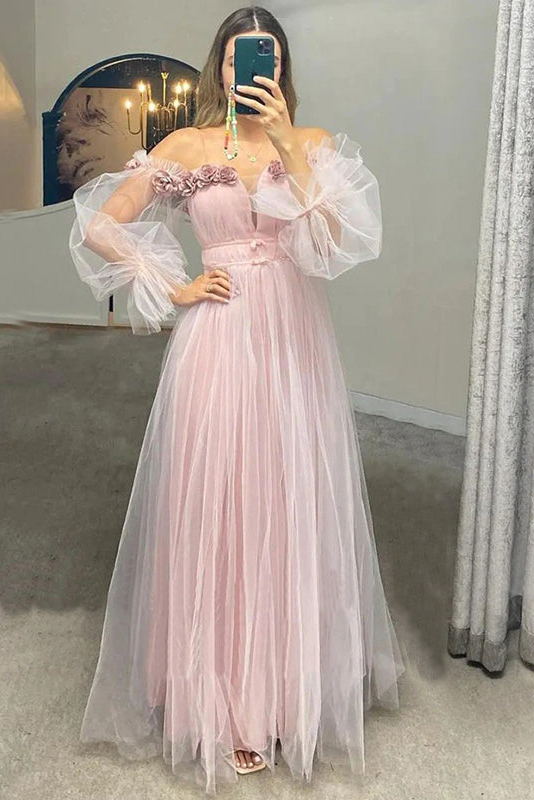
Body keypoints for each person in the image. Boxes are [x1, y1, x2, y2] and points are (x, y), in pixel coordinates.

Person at [69, 5, 405, 795]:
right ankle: (224, 701)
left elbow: (334, 245)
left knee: (288, 499)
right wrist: (172, 283)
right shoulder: (187, 147)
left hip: (294, 339)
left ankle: (284, 689)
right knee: (219, 502)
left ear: (282, 69)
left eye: (269, 56)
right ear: (219, 67)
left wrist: (287, 145)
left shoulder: (312, 144)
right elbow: (101, 226)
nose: (253, 68)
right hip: (217, 339)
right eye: (238, 57)